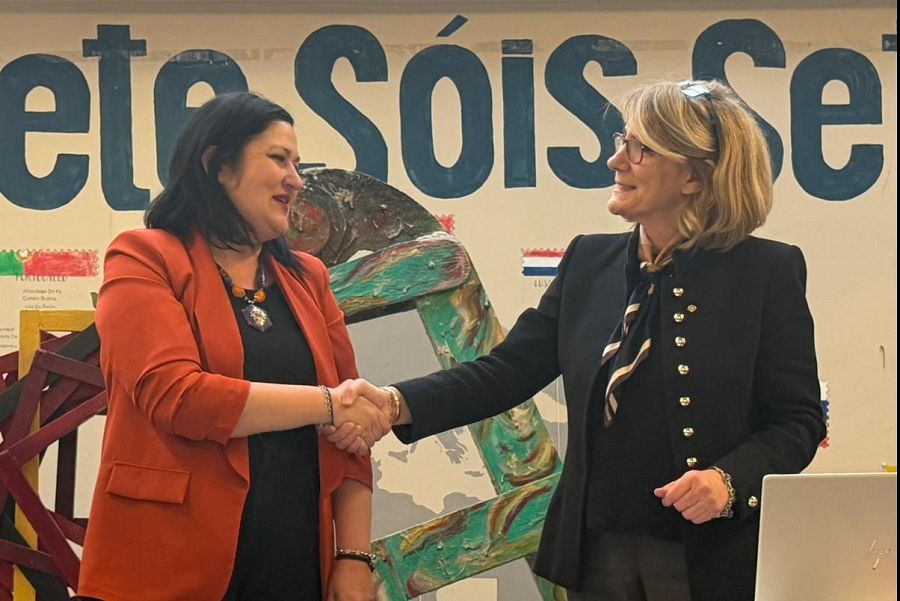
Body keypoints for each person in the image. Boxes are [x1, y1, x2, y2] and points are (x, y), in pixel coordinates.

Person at [332, 80, 827, 601]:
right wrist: (394, 403)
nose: (616, 161)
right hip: (597, 554)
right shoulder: (589, 260)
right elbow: (506, 372)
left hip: (712, 559)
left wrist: (728, 482)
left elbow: (798, 420)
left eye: (639, 148)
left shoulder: (767, 271)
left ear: (693, 175)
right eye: (622, 141)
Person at [78, 92, 388, 601]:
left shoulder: (309, 278)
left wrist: (353, 557)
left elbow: (351, 439)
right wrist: (330, 404)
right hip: (165, 566)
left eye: (298, 164)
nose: (296, 179)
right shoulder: (144, 256)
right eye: (279, 159)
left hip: (293, 561)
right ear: (218, 165)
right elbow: (177, 396)